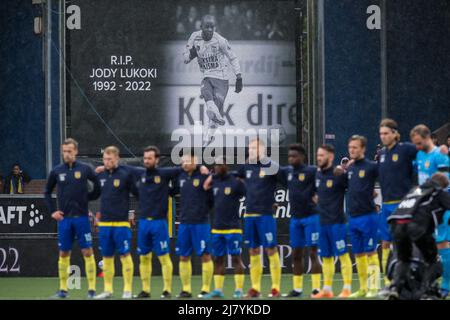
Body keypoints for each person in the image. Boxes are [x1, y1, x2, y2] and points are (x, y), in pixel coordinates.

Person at [44, 138, 101, 299]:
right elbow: (47, 192)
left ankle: (91, 290)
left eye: (69, 151)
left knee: (87, 252)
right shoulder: (57, 171)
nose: (66, 154)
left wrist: (88, 197)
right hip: (64, 220)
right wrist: (53, 211)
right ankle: (63, 290)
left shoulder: (85, 169)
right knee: (63, 253)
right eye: (64, 151)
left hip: (82, 219)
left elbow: (97, 186)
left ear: (76, 151)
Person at [387, 173, 450, 299]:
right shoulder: (437, 192)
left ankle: (395, 288)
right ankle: (426, 291)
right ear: (442, 185)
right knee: (432, 260)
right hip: (416, 226)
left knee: (404, 259)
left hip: (396, 224)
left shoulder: (415, 190)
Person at [183, 14, 243, 146]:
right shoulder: (194, 36)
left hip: (222, 79)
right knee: (206, 92)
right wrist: (189, 55)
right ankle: (213, 112)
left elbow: (233, 58)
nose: (210, 29)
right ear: (201, 27)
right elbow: (187, 55)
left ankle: (209, 136)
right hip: (207, 75)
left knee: (215, 112)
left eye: (212, 27)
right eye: (207, 27)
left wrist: (239, 77)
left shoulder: (220, 40)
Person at [237, 138, 284, 298]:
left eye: (255, 148)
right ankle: (255, 288)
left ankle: (275, 288)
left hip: (265, 215)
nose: (251, 151)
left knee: (271, 249)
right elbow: (238, 179)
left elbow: (286, 181)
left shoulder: (272, 166)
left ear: (262, 150)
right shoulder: (245, 167)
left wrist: (273, 200)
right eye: (250, 148)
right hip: (250, 215)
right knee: (253, 250)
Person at [377, 119, 418, 290]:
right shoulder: (382, 154)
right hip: (385, 205)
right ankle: (389, 280)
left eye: (386, 133)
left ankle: (411, 277)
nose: (383, 137)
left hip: (402, 205)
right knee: (385, 243)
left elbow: (422, 157)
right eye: (381, 134)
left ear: (395, 133)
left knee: (405, 242)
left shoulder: (406, 149)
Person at [410, 124, 450, 297]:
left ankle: (447, 285)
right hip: (426, 208)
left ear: (427, 138)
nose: (417, 146)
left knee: (442, 245)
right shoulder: (419, 155)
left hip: (440, 207)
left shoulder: (440, 155)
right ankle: (430, 283)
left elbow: (445, 183)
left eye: (419, 142)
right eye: (415, 143)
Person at [94, 146, 139, 299]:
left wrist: (133, 213)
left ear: (117, 159)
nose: (107, 162)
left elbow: (137, 195)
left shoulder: (126, 175)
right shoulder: (100, 176)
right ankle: (107, 290)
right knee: (106, 257)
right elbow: (94, 195)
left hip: (121, 224)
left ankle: (127, 291)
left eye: (110, 159)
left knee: (125, 255)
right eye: (105, 159)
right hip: (105, 225)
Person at [280, 143, 322, 298]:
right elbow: (272, 169)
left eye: (294, 156)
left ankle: (316, 288)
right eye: (289, 156)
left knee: (313, 252)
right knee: (296, 254)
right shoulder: (287, 172)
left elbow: (323, 184)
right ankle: (297, 289)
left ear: (302, 157)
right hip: (295, 219)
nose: (291, 158)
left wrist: (319, 196)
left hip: (311, 217)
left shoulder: (311, 171)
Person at [202, 157, 246, 299]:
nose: (217, 167)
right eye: (215, 165)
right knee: (218, 259)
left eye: (220, 164)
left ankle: (238, 290)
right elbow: (205, 192)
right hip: (217, 228)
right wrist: (208, 180)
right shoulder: (214, 182)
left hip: (233, 228)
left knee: (236, 259)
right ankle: (218, 290)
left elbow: (250, 194)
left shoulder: (236, 182)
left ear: (226, 166)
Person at [313, 144, 353, 298]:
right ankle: (327, 289)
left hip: (337, 223)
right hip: (322, 223)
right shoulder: (317, 175)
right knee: (326, 258)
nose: (319, 158)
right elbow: (314, 195)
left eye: (322, 155)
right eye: (318, 155)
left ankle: (347, 288)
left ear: (330, 156)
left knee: (343, 255)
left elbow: (353, 186)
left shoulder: (339, 174)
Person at [174, 151, 213, 298]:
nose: (185, 164)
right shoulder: (180, 175)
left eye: (188, 161)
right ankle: (186, 290)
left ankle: (205, 289)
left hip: (201, 223)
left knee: (205, 255)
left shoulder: (204, 174)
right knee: (184, 256)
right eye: (183, 161)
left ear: (195, 161)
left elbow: (212, 196)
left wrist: (203, 210)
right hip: (184, 223)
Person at [345, 135, 381, 298]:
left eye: (355, 147)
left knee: (371, 252)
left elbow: (386, 178)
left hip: (368, 217)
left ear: (363, 149)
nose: (352, 150)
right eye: (350, 147)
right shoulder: (350, 168)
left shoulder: (372, 167)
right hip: (352, 218)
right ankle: (363, 288)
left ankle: (374, 287)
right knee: (358, 254)